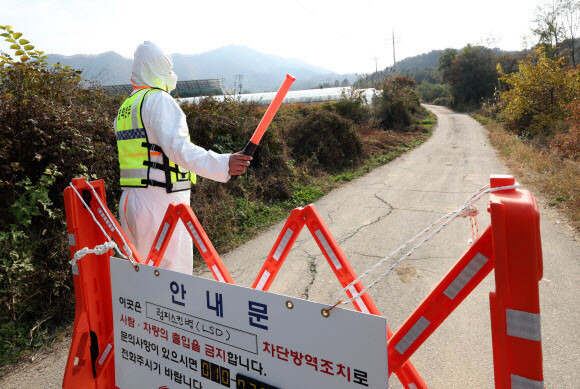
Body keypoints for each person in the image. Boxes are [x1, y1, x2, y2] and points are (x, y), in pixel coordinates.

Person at [114, 41, 251, 274]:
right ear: (156, 69)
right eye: (167, 68)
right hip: (159, 202)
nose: (171, 75)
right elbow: (179, 149)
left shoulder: (127, 107)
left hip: (130, 201)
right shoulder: (159, 100)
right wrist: (223, 163)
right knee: (170, 275)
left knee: (138, 275)